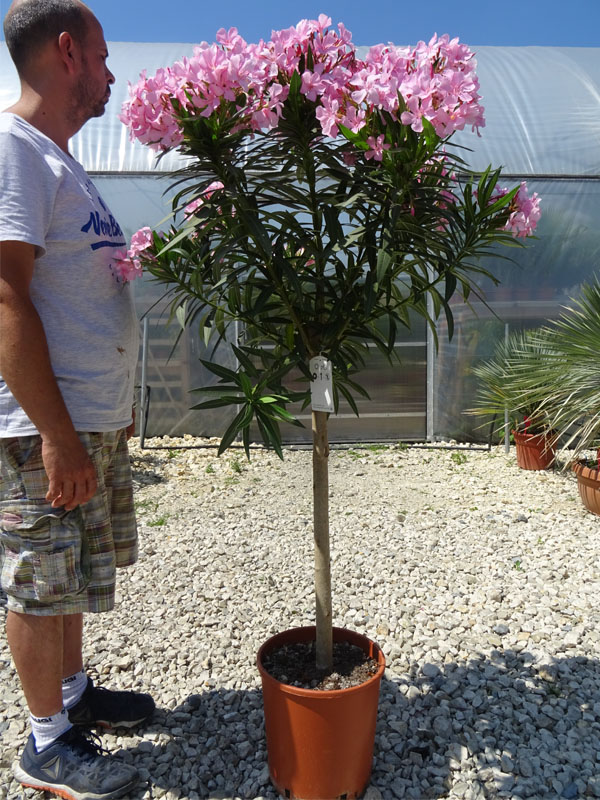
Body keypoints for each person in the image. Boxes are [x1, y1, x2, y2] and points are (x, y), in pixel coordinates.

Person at [0, 1, 155, 797]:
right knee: (40, 579)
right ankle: (43, 744)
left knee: (70, 577)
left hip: (82, 419)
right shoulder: (14, 150)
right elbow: (6, 296)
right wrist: (55, 432)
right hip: (39, 429)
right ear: (67, 52)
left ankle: (70, 696)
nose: (111, 72)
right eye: (100, 55)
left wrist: (108, 405)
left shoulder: (59, 158)